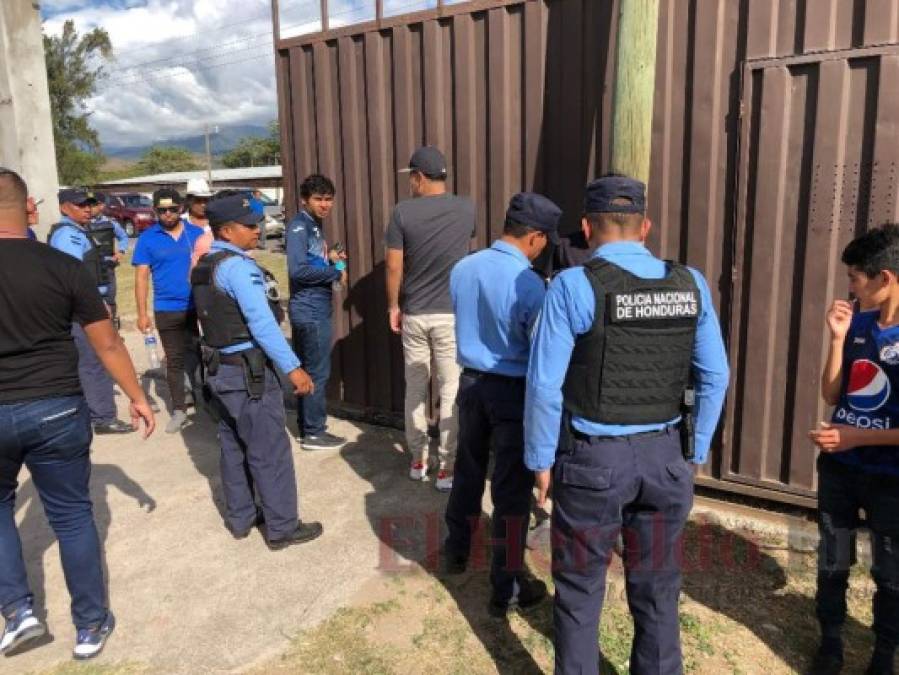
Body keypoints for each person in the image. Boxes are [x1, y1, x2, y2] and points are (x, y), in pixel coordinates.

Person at [524, 175, 730, 674]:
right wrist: (694, 449)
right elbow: (716, 376)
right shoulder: (691, 283)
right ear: (645, 227)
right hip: (666, 457)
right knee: (658, 588)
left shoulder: (573, 285)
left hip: (594, 461)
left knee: (579, 590)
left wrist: (539, 462)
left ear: (587, 227)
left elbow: (544, 386)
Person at [0, 167, 155, 659]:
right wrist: (137, 396)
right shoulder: (64, 266)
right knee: (71, 517)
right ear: (28, 209)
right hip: (56, 409)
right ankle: (90, 626)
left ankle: (19, 613)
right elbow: (106, 342)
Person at [443, 192, 561, 616]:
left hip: (471, 383)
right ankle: (505, 589)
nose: (545, 247)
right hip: (512, 391)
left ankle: (455, 551)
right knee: (511, 492)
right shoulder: (530, 285)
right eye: (545, 240)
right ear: (534, 236)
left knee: (468, 471)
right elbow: (542, 348)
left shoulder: (463, 267)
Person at [191, 194, 323, 548]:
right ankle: (282, 527)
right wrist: (293, 368)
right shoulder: (238, 267)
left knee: (233, 446)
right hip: (248, 374)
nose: (257, 230)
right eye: (249, 225)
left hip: (220, 371)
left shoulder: (205, 265)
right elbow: (262, 324)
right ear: (226, 230)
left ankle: (242, 518)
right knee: (270, 450)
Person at [809, 224, 899, 675]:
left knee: (890, 573)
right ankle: (830, 644)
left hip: (890, 479)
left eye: (856, 278)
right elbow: (830, 395)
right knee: (832, 558)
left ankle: (884, 654)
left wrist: (856, 437)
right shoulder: (859, 322)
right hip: (841, 469)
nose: (849, 287)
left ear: (886, 279)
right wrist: (838, 338)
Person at [386, 146, 475, 491]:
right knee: (451, 389)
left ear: (419, 177)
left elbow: (395, 265)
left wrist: (393, 306)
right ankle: (446, 468)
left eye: (411, 177)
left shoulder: (402, 213)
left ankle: (418, 460)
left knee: (416, 388)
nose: (410, 183)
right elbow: (464, 256)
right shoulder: (466, 209)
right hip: (451, 315)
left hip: (416, 314)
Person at [48, 188, 133, 434]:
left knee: (90, 361)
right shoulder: (68, 236)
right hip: (84, 309)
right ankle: (103, 417)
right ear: (65, 207)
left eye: (89, 204)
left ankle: (97, 414)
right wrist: (96, 303)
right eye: (80, 205)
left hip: (85, 305)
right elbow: (75, 276)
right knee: (94, 362)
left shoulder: (77, 231)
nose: (87, 209)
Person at [132, 188, 206, 433]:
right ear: (155, 211)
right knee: (174, 361)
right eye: (162, 210)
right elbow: (141, 277)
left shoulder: (197, 234)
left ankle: (205, 398)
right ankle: (179, 410)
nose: (167, 214)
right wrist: (142, 314)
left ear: (180, 209)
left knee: (200, 352)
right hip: (166, 309)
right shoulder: (147, 238)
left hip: (198, 306)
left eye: (172, 209)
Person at [285, 174, 347, 450]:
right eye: (318, 199)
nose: (325, 205)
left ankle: (307, 428)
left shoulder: (313, 225)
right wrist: (333, 271)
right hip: (309, 310)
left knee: (311, 370)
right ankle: (314, 432)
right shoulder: (300, 226)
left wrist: (330, 260)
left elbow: (312, 261)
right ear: (304, 200)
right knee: (317, 372)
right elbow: (297, 269)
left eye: (328, 199)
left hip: (314, 307)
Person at [87, 192, 129, 325]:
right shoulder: (82, 223)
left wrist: (120, 251)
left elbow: (123, 237)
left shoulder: (110, 223)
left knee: (110, 297)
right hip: (89, 267)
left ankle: (112, 326)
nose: (89, 208)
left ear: (101, 206)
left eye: (93, 204)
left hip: (107, 266)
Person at [183, 178, 213, 266]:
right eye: (198, 200)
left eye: (206, 200)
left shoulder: (217, 222)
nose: (203, 204)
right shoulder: (179, 223)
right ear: (189, 201)